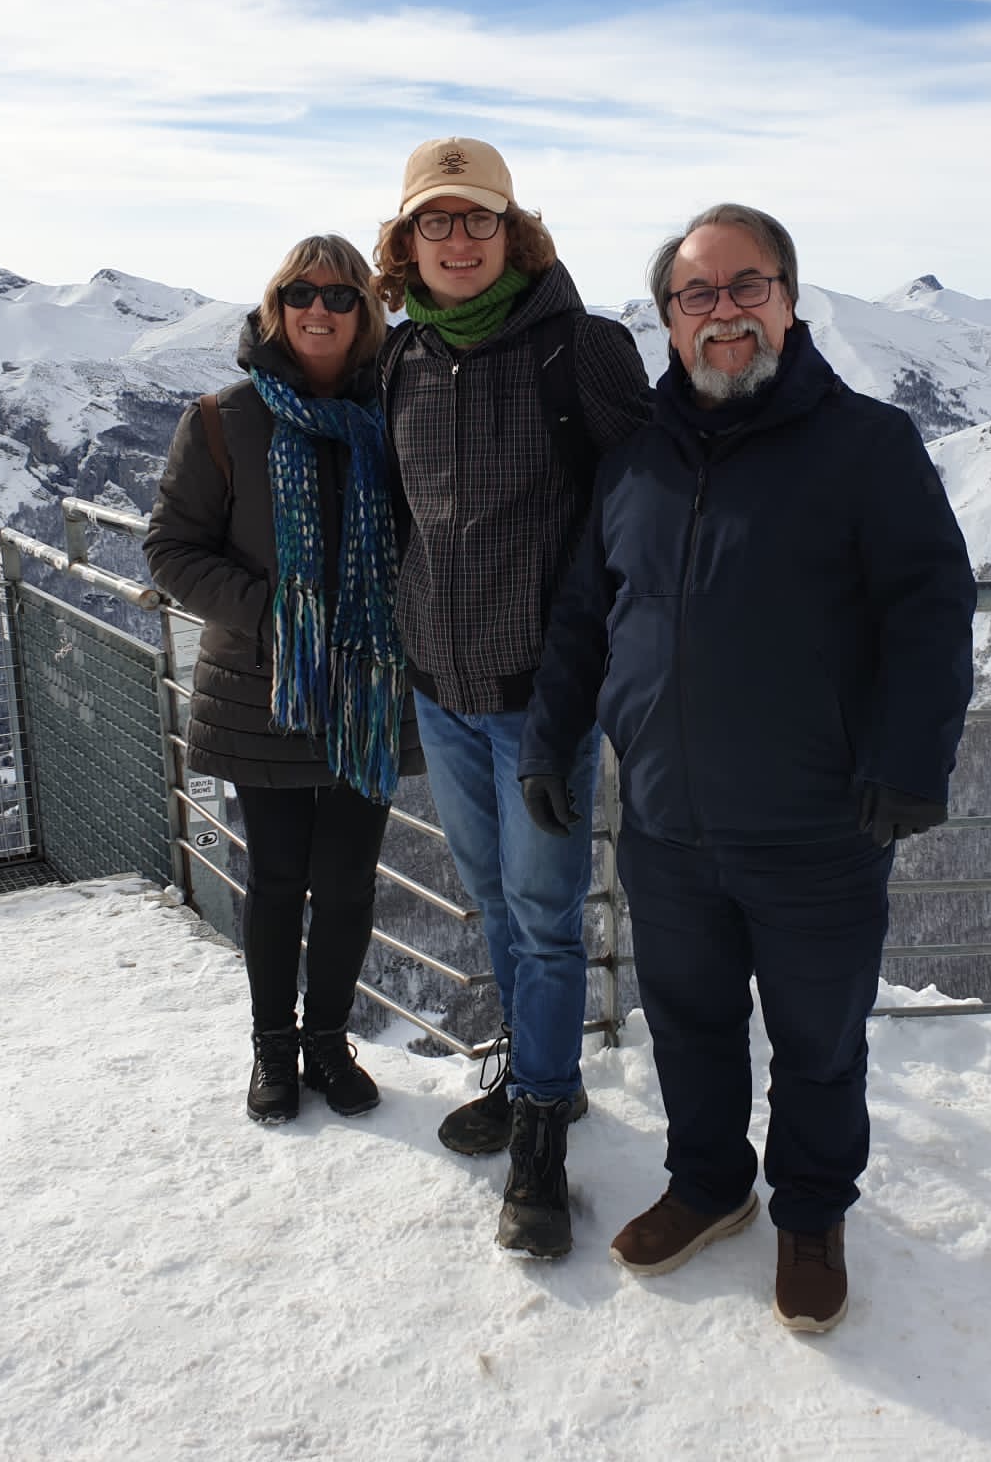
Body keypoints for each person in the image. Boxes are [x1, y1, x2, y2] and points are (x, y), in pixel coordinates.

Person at [519, 203, 976, 1328]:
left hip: (819, 823)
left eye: (746, 287)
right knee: (690, 1022)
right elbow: (587, 616)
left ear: (787, 297)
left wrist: (911, 759)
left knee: (819, 1040)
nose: (724, 313)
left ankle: (810, 1212)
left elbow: (931, 610)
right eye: (698, 295)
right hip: (669, 823)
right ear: (670, 320)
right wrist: (549, 741)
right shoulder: (633, 464)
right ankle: (711, 1183)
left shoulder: (868, 447)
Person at [372, 137, 650, 1257]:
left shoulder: (579, 353)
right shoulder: (402, 360)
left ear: (513, 229)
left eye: (478, 217)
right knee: (494, 903)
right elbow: (402, 523)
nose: (458, 239)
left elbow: (634, 520)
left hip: (543, 700)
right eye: (435, 221)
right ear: (405, 241)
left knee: (540, 921)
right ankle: (545, 1079)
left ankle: (540, 1136)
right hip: (441, 691)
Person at [144, 233, 424, 1126]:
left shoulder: (402, 410)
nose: (319, 310)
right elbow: (170, 550)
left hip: (372, 688)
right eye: (301, 292)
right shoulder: (225, 420)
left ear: (367, 313)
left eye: (342, 296)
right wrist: (274, 611)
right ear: (274, 305)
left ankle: (327, 1044)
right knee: (275, 880)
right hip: (271, 686)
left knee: (347, 881)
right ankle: (271, 1049)